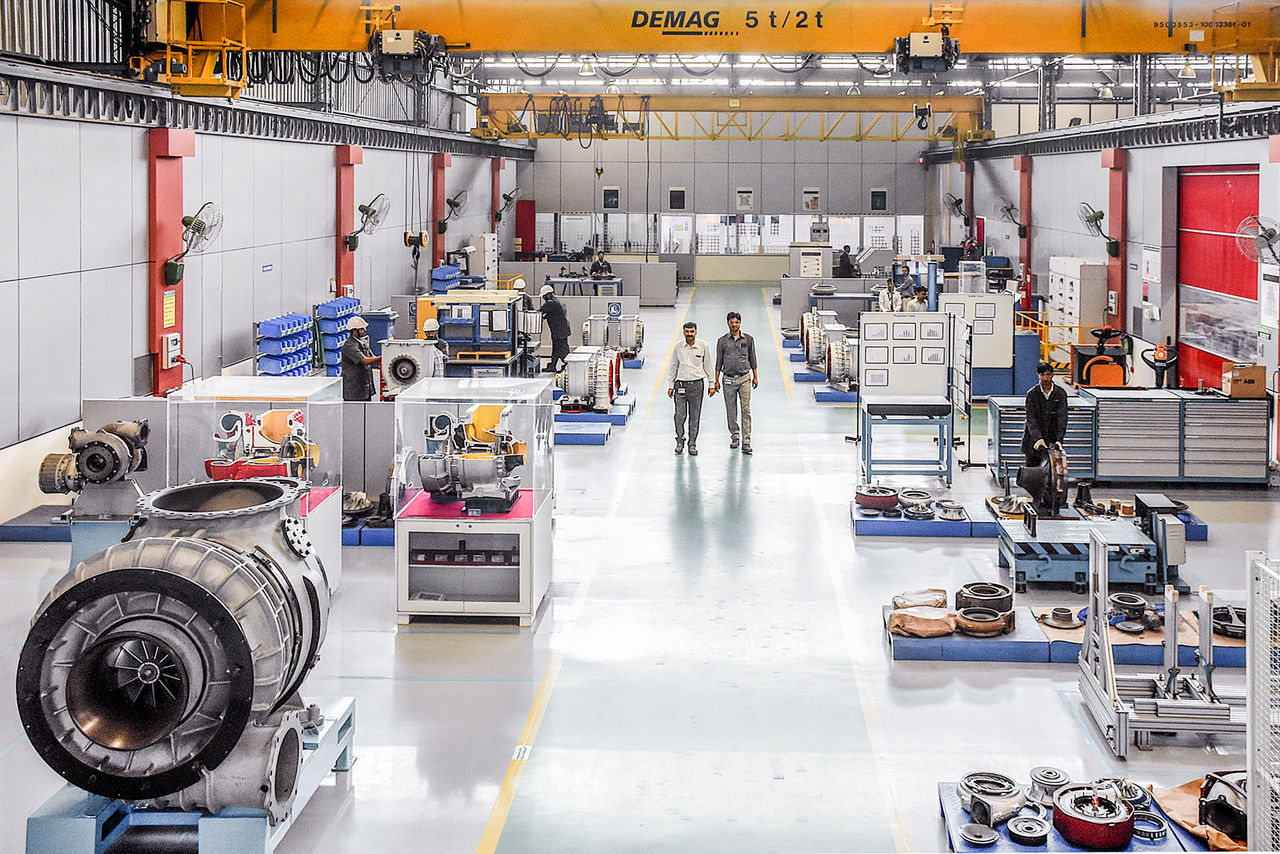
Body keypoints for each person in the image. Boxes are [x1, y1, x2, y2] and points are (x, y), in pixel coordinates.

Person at [712, 311, 758, 454]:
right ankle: (735, 436)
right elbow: (719, 361)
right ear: (728, 323)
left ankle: (746, 441)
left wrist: (755, 376)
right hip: (728, 380)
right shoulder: (722, 341)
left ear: (740, 323)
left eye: (737, 322)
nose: (734, 325)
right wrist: (716, 380)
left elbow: (753, 358)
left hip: (744, 378)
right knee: (731, 410)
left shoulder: (748, 339)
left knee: (746, 409)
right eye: (731, 322)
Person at [667, 321, 712, 456]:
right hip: (680, 386)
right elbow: (673, 366)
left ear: (696, 332)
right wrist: (670, 385)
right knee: (679, 416)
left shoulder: (703, 346)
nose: (689, 334)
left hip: (697, 386)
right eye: (687, 331)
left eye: (692, 331)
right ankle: (680, 440)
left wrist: (712, 383)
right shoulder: (678, 347)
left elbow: (708, 365)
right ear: (684, 332)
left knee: (695, 416)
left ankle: (692, 443)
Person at [1022, 361, 1068, 466]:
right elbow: (1031, 419)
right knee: (1032, 472)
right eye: (1042, 375)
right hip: (1033, 441)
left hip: (1053, 441)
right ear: (1037, 375)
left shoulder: (1060, 393)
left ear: (1052, 375)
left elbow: (1062, 418)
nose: (1045, 378)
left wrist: (1059, 440)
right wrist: (1038, 439)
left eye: (1048, 375)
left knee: (1053, 471)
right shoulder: (1032, 394)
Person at [341, 316, 381, 401]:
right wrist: (383, 358)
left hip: (364, 387)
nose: (365, 330)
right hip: (354, 390)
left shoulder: (362, 341)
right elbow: (365, 360)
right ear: (354, 331)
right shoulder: (350, 345)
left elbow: (372, 357)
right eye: (362, 329)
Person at [539, 284, 571, 372]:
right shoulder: (557, 300)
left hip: (559, 331)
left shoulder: (551, 303)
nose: (543, 298)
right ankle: (553, 365)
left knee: (563, 350)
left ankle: (569, 365)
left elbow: (540, 312)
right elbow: (553, 314)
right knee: (556, 349)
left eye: (544, 296)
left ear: (548, 295)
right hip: (561, 330)